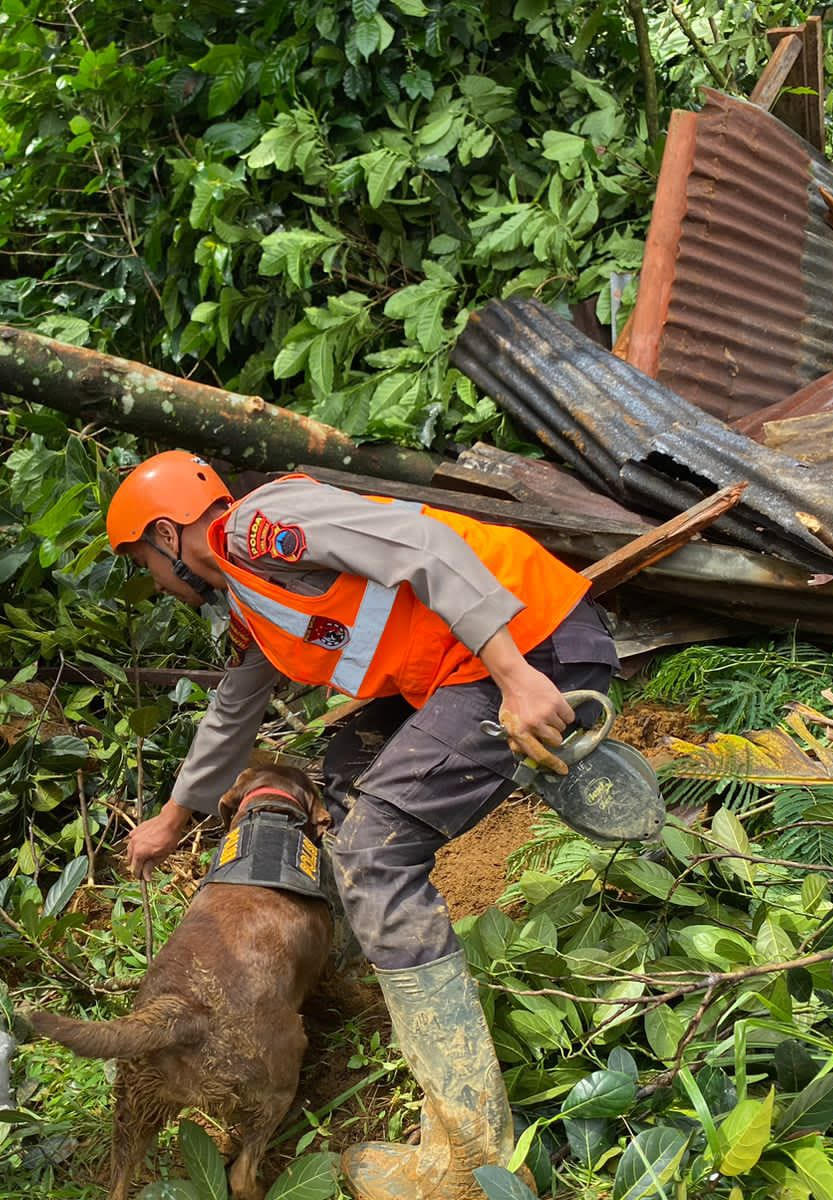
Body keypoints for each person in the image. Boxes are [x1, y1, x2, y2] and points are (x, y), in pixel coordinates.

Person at [108, 451, 618, 1200]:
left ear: (166, 533)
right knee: (347, 768)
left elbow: (428, 549)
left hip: (525, 644)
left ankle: (471, 1161)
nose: (151, 579)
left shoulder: (261, 530)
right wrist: (173, 816)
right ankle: (363, 969)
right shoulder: (252, 602)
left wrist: (516, 675)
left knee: (377, 854)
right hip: (457, 669)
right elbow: (234, 709)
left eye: (142, 561)